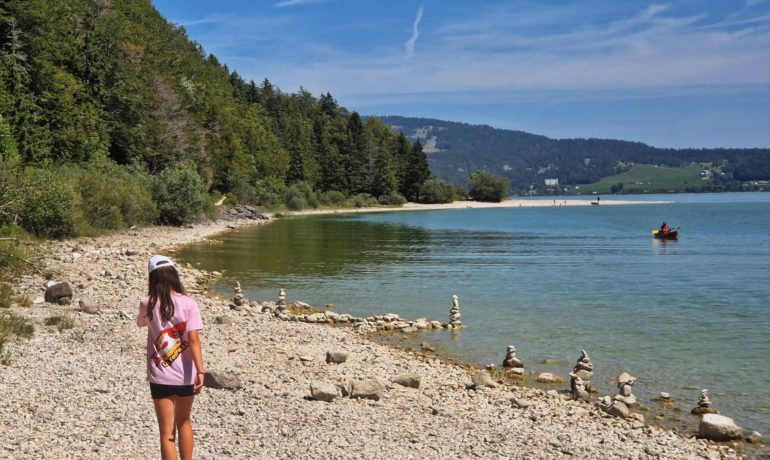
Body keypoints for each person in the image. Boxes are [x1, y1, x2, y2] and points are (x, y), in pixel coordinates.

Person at [137, 255, 205, 460]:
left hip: (160, 376)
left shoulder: (146, 303)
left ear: (152, 278)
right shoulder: (188, 303)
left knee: (166, 433)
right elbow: (193, 339)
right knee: (184, 421)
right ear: (175, 276)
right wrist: (201, 370)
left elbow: (141, 324)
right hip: (186, 375)